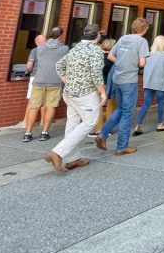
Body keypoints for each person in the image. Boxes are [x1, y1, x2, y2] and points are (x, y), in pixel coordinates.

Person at [46, 23, 106, 174]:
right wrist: (102, 91)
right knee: (90, 122)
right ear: (97, 35)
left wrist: (68, 80)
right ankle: (57, 153)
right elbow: (96, 73)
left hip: (69, 93)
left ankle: (73, 158)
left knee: (72, 124)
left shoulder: (75, 48)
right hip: (85, 93)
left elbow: (59, 65)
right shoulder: (95, 51)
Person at [97, 17, 150, 156]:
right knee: (127, 113)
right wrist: (133, 63)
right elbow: (142, 63)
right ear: (144, 29)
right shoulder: (142, 41)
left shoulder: (123, 38)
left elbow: (110, 56)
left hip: (117, 79)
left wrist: (121, 61)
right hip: (129, 80)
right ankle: (122, 146)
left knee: (120, 109)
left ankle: (102, 134)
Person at [23, 27, 68, 143]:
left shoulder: (40, 49)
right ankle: (44, 132)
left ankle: (27, 133)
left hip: (39, 80)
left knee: (33, 106)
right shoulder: (64, 49)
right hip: (55, 81)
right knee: (51, 106)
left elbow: (30, 65)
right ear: (61, 35)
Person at [134, 35, 164, 134]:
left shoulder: (148, 54)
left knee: (146, 104)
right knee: (161, 104)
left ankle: (138, 125)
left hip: (148, 83)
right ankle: (160, 124)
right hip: (161, 84)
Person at [89, 37, 116, 137]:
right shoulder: (112, 58)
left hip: (98, 84)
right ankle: (107, 128)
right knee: (110, 107)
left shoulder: (97, 56)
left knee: (98, 107)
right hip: (109, 84)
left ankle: (98, 129)